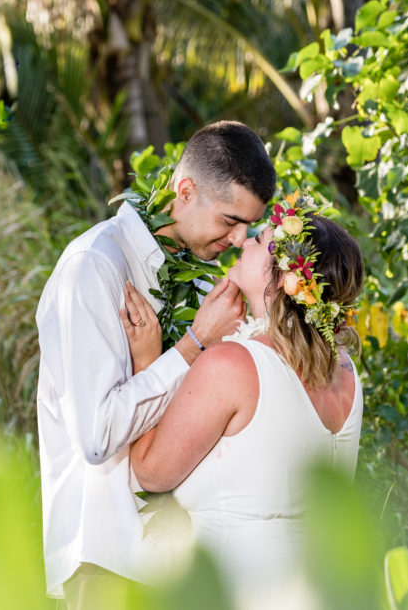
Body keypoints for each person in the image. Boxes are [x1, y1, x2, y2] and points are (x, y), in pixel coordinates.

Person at [36, 121, 277, 607]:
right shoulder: (96, 266)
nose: (238, 238)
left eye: (248, 226)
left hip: (180, 562)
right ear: (185, 191)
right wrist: (191, 345)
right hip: (107, 557)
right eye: (230, 220)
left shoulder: (205, 279)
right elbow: (97, 437)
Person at [124, 193, 365, 610]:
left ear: (279, 280)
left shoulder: (231, 365)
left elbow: (150, 472)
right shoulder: (344, 370)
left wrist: (147, 360)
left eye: (259, 241)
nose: (244, 242)